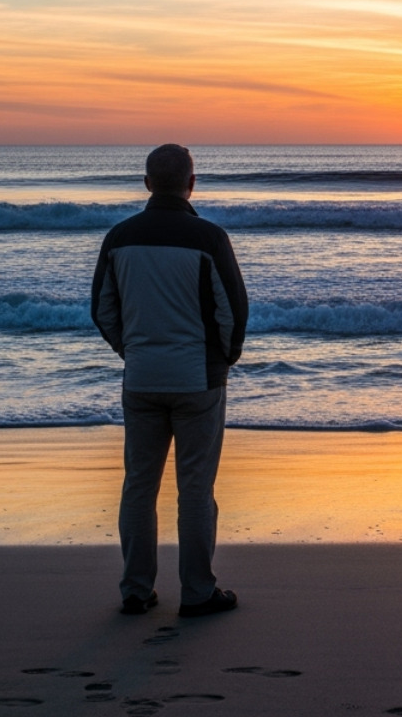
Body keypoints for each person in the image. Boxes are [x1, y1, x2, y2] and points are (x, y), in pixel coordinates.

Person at [91, 144, 249, 617]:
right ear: (191, 182)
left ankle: (136, 590)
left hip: (141, 377)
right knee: (195, 488)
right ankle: (198, 591)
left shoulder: (119, 237)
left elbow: (102, 310)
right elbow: (233, 312)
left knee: (139, 484)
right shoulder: (208, 238)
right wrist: (225, 359)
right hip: (198, 378)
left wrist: (129, 349)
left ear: (146, 183)